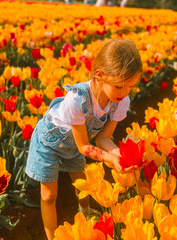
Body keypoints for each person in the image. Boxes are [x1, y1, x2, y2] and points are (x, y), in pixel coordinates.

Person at [25, 39, 142, 240]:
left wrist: (121, 157)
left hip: (78, 145)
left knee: (83, 182)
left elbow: (103, 139)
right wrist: (111, 159)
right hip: (49, 142)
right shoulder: (77, 100)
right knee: (49, 195)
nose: (124, 93)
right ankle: (52, 236)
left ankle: (85, 213)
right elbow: (84, 146)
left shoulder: (119, 102)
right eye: (120, 86)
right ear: (99, 75)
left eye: (130, 87)